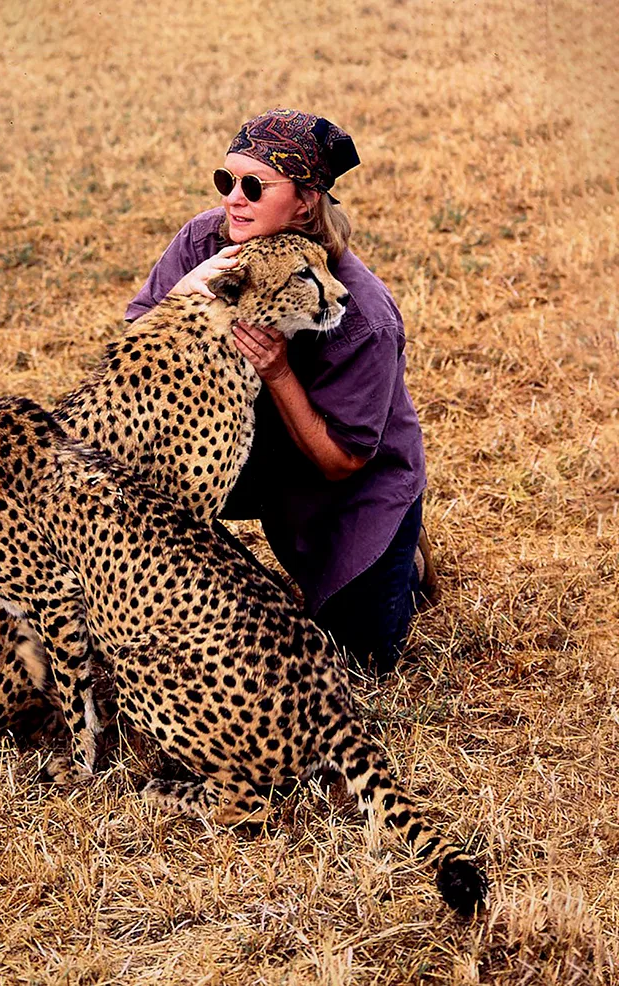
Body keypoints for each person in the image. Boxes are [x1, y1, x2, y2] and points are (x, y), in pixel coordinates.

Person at [124, 108, 436, 676]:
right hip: (241, 449)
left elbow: (342, 462)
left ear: (304, 201)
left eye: (252, 186)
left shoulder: (362, 315)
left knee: (354, 655)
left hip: (345, 480)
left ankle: (402, 552)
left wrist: (279, 371)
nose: (232, 200)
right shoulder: (207, 244)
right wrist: (186, 294)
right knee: (131, 479)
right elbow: (136, 340)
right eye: (225, 182)